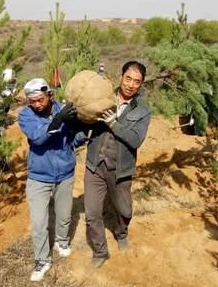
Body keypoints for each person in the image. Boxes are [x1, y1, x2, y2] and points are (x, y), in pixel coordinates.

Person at [18, 78, 87, 282]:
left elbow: (71, 139)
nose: (37, 105)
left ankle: (62, 241)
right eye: (33, 101)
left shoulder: (63, 109)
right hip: (39, 176)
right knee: (39, 222)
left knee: (64, 213)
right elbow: (38, 138)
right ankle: (42, 260)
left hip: (64, 172)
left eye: (40, 100)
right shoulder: (25, 116)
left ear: (49, 95)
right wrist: (58, 120)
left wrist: (81, 134)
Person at [84, 60, 151, 268]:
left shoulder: (143, 110)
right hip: (95, 164)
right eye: (128, 78)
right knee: (92, 213)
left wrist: (114, 123)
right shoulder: (103, 96)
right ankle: (100, 251)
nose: (131, 84)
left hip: (120, 169)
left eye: (136, 81)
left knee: (125, 211)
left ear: (141, 85)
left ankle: (121, 232)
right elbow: (85, 120)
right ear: (121, 77)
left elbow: (135, 139)